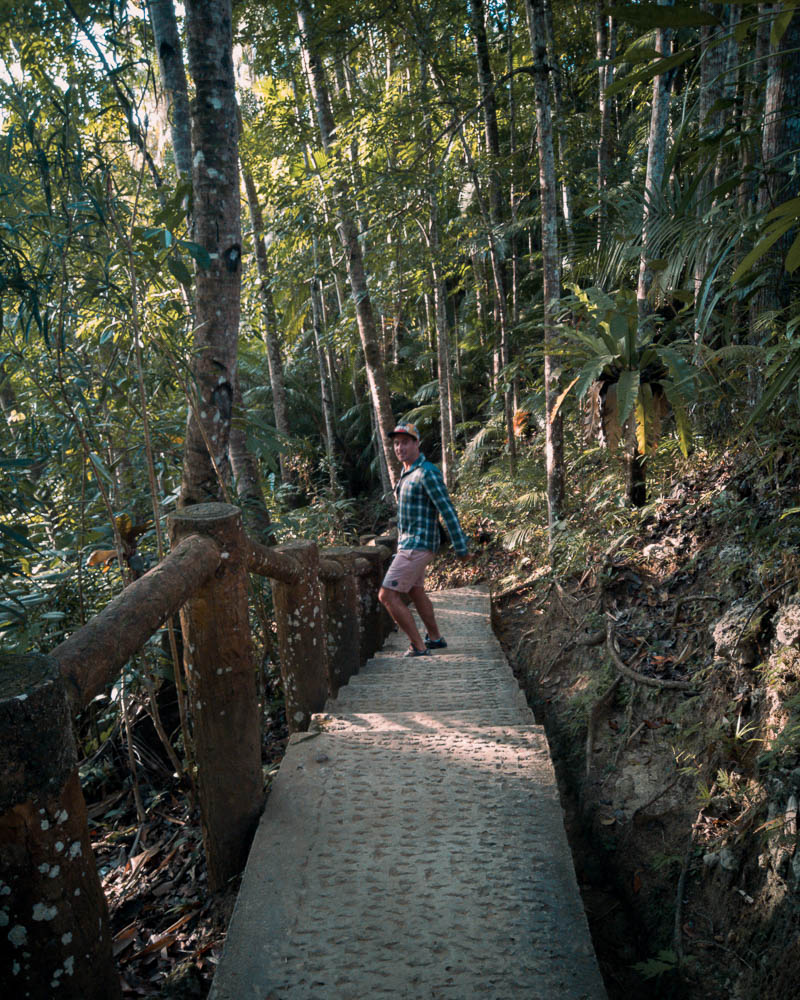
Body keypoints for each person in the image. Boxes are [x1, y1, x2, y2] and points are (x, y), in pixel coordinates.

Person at [378, 421, 469, 657]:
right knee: (416, 591)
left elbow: (447, 510)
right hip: (409, 544)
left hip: (418, 544)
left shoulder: (427, 472)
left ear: (416, 443)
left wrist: (461, 548)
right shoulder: (406, 473)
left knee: (387, 595)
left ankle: (418, 646)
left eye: (405, 443)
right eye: (396, 444)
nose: (400, 448)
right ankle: (435, 638)